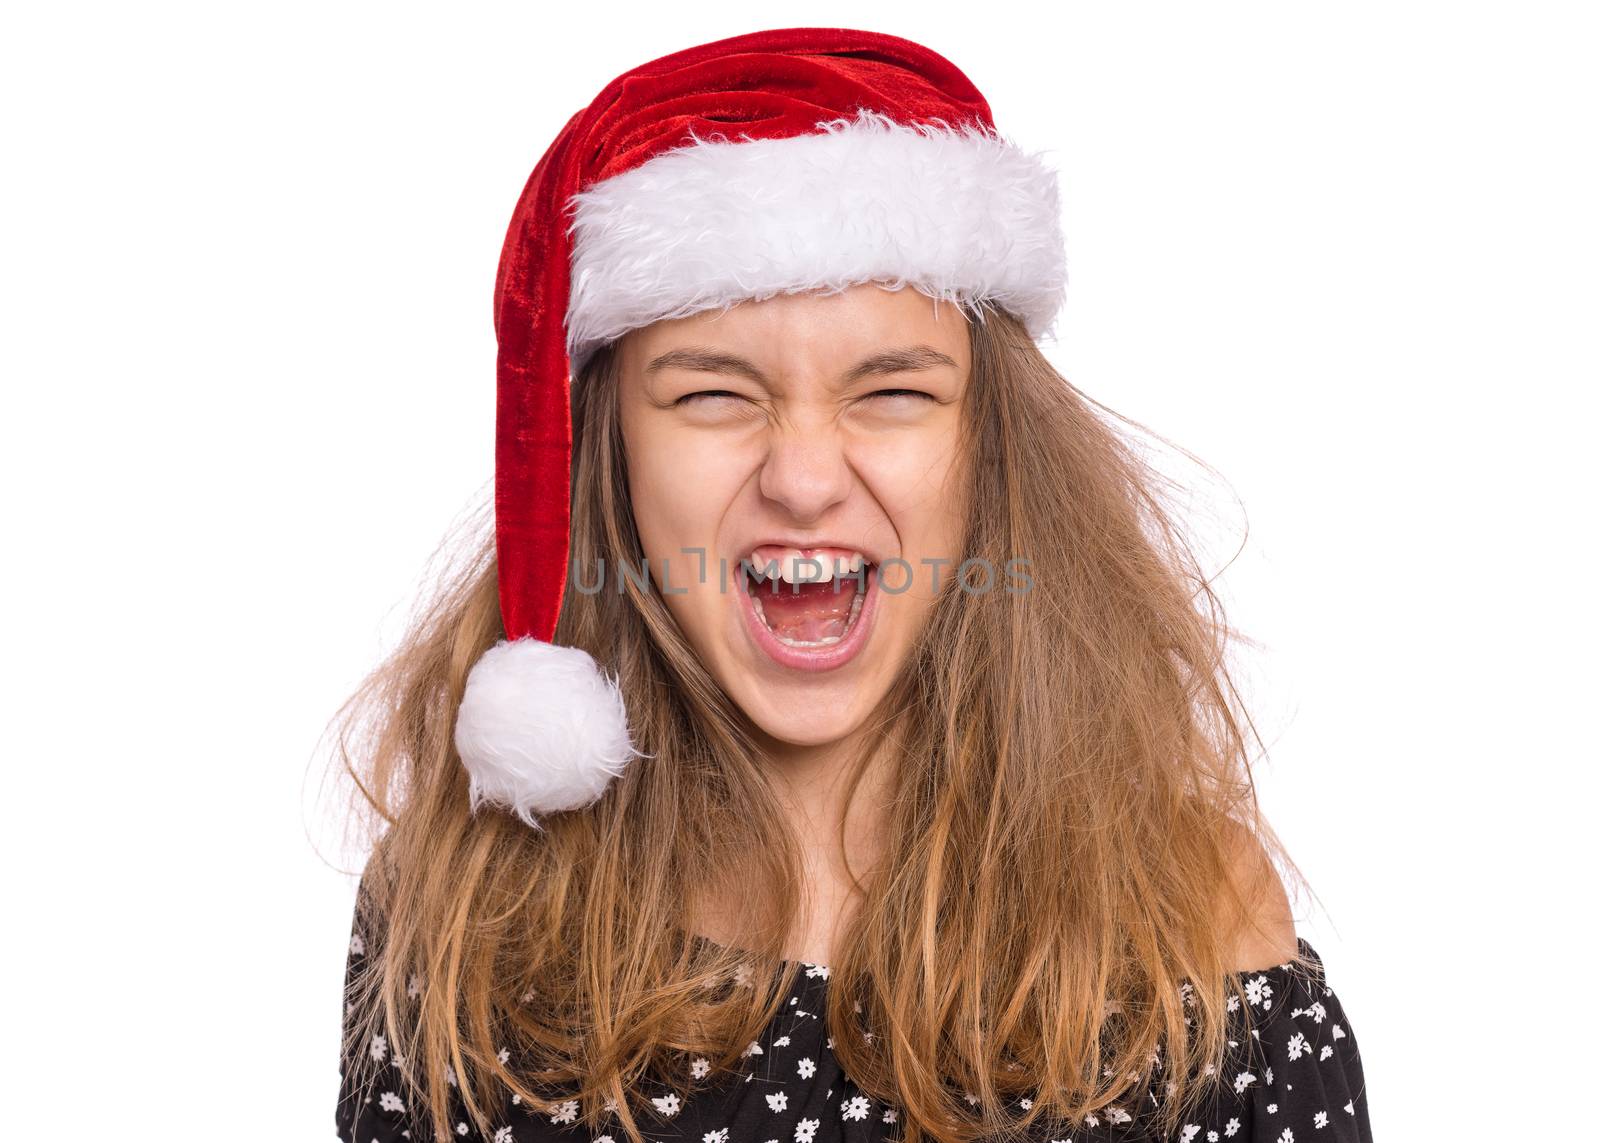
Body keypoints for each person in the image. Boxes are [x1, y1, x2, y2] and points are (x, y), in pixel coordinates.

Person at [331, 26, 1373, 1143]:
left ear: (988, 446)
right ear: (610, 459)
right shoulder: (468, 908)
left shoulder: (1193, 918)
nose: (805, 480)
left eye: (891, 393)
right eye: (712, 396)